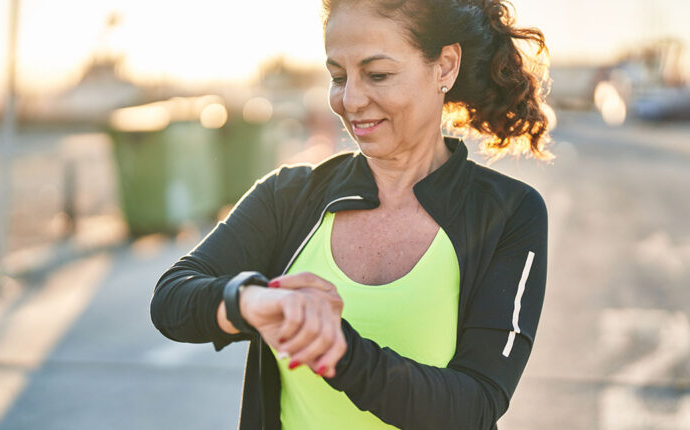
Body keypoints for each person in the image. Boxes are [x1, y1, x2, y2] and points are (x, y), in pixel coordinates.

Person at [151, 0, 551, 428]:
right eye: (338, 77)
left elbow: (476, 404)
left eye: (377, 74)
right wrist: (250, 299)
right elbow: (172, 298)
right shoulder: (289, 196)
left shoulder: (509, 213)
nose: (351, 100)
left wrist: (338, 351)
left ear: (445, 67)